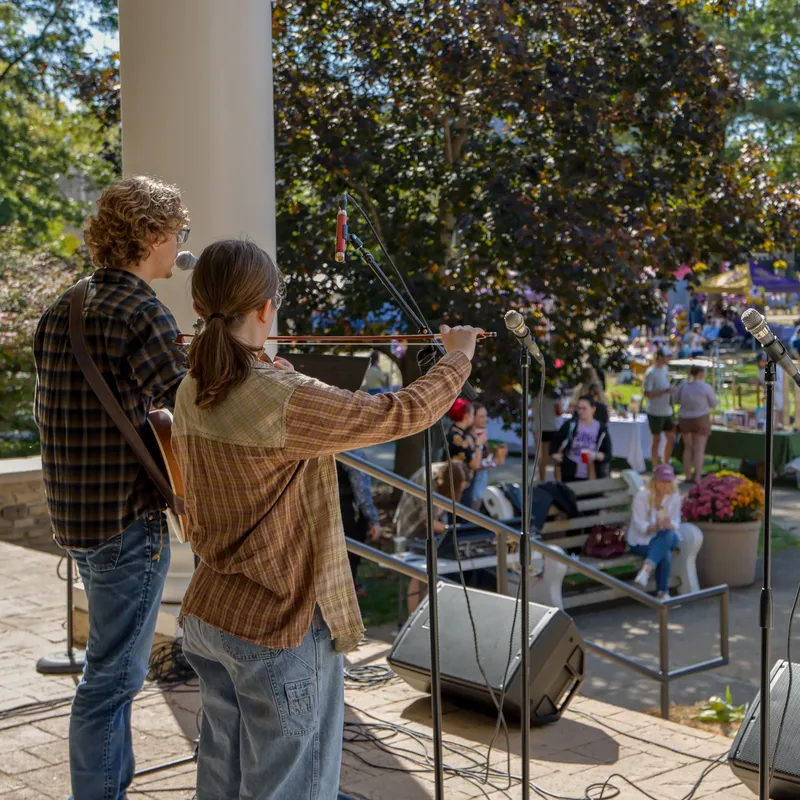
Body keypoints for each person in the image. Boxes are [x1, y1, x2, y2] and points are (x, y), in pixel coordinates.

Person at [172, 238, 482, 799]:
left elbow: (257, 411)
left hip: (213, 615)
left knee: (221, 778)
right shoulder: (282, 397)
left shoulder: (193, 385)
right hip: (278, 622)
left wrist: (277, 376)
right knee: (294, 788)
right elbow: (403, 412)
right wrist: (457, 357)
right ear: (267, 308)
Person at [33, 176, 190, 799]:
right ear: (150, 236)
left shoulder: (62, 306)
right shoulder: (142, 310)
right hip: (126, 521)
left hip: (75, 517)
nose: (179, 245)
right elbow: (191, 408)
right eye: (177, 233)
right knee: (113, 680)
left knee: (108, 671)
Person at [394, 461, 470, 612]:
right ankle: (414, 616)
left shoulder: (447, 478)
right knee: (420, 573)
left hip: (430, 530)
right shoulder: (427, 479)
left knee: (435, 572)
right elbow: (427, 519)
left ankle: (431, 613)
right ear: (451, 482)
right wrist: (451, 531)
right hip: (412, 528)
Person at [627, 463, 682, 602]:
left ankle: (647, 569)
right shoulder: (642, 496)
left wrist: (669, 524)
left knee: (669, 536)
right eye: (662, 481)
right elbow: (639, 526)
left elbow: (676, 522)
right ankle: (662, 593)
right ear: (655, 481)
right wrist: (655, 526)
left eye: (669, 481)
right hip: (641, 540)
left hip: (665, 536)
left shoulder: (674, 496)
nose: (665, 485)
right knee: (666, 552)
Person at [336, 449, 381, 596]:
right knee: (348, 562)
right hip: (344, 512)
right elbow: (361, 490)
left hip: (318, 511)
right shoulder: (352, 451)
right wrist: (373, 519)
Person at [550, 396, 612, 482]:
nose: (580, 411)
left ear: (593, 409)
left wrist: (595, 456)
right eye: (578, 408)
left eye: (584, 408)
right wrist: (554, 454)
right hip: (570, 472)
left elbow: (608, 454)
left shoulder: (601, 428)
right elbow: (556, 440)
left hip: (592, 474)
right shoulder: (571, 424)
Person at [674, 365, 717, 483]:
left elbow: (675, 400)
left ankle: (687, 475)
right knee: (699, 449)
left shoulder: (683, 386)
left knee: (688, 447)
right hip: (701, 418)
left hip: (685, 418)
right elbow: (713, 403)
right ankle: (697, 476)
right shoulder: (705, 387)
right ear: (701, 373)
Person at [465, 403, 506, 510]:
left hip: (481, 481)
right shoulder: (469, 437)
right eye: (482, 417)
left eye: (486, 416)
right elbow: (474, 464)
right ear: (472, 417)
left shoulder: (482, 433)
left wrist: (496, 453)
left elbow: (483, 457)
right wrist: (494, 462)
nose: (485, 419)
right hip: (472, 485)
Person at [446, 398, 482, 507]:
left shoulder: (458, 433)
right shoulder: (457, 438)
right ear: (466, 416)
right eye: (472, 414)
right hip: (459, 484)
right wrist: (478, 444)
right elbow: (475, 464)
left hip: (461, 482)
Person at [643, 349, 675, 466]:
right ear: (660, 357)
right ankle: (656, 466)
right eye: (667, 356)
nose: (669, 358)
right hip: (655, 411)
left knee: (671, 437)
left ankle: (666, 463)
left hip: (667, 410)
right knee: (656, 439)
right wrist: (663, 392)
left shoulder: (665, 369)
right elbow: (647, 393)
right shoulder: (651, 372)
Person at [533, 388, 563, 481]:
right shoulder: (554, 395)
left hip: (538, 428)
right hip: (551, 428)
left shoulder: (535, 395)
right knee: (556, 456)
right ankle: (557, 480)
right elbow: (559, 412)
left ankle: (542, 479)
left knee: (541, 457)